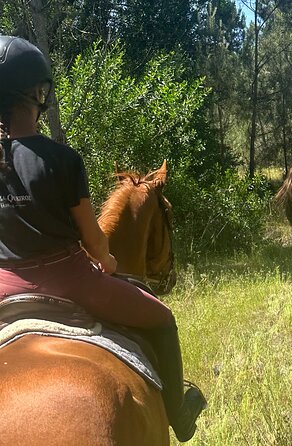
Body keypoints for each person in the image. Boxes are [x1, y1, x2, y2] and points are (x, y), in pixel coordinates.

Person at [0, 36, 205, 442]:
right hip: (71, 280)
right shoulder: (62, 159)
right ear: (38, 94)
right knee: (163, 318)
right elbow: (93, 240)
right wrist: (107, 262)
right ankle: (179, 416)